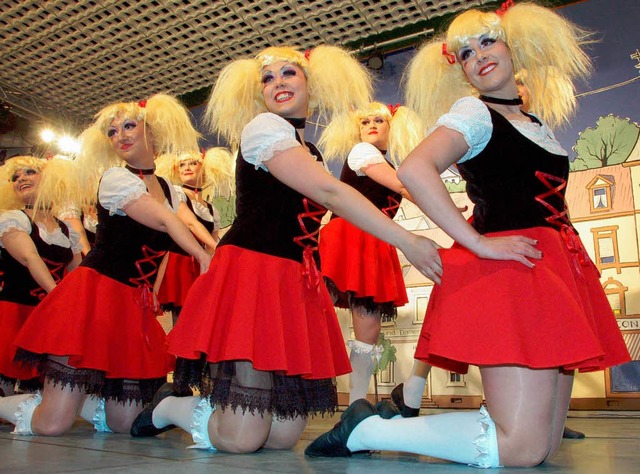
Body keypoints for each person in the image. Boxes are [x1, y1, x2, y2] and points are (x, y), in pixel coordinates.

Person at [305, 2, 630, 467]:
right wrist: (475, 242)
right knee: (521, 448)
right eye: (464, 53)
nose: (478, 55)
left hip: (552, 269)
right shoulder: (474, 113)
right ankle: (368, 427)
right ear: (460, 71)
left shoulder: (533, 123)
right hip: (510, 270)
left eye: (487, 42)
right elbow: (416, 170)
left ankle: (373, 424)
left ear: (513, 46)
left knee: (544, 446)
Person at [129, 45, 442, 454]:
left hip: (291, 281)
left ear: (309, 82)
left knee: (281, 439)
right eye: (269, 78)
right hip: (251, 272)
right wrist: (408, 239)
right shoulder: (263, 129)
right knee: (241, 440)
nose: (278, 83)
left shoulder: (307, 151)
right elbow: (330, 192)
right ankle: (171, 406)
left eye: (288, 73)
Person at [0, 94, 212, 436]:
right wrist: (203, 256)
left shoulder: (173, 191)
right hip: (94, 297)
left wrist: (153, 293)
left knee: (124, 423)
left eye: (129, 126)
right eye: (113, 132)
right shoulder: (116, 180)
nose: (121, 136)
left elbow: (169, 246)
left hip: (133, 305)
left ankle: (86, 399)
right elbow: (164, 224)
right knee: (51, 425)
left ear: (152, 132)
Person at [318, 101, 423, 404]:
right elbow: (402, 187)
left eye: (379, 120)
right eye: (365, 122)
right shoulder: (362, 153)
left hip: (373, 243)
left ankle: (356, 403)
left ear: (392, 126)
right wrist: (441, 211)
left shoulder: (383, 162)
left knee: (369, 328)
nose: (372, 125)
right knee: (329, 316)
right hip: (349, 239)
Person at [0, 156, 82, 397]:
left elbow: (78, 273)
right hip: (14, 312)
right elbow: (30, 258)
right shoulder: (11, 219)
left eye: (29, 172)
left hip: (47, 314)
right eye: (16, 177)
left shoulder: (66, 230)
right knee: (4, 382)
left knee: (39, 389)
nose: (21, 179)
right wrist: (59, 298)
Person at [154, 148, 233, 325]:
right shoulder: (176, 194)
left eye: (192, 163)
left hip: (200, 266)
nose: (186, 168)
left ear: (203, 168)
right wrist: (218, 248)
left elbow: (210, 247)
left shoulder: (212, 209)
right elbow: (191, 224)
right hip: (180, 264)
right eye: (182, 164)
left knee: (201, 318)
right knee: (182, 318)